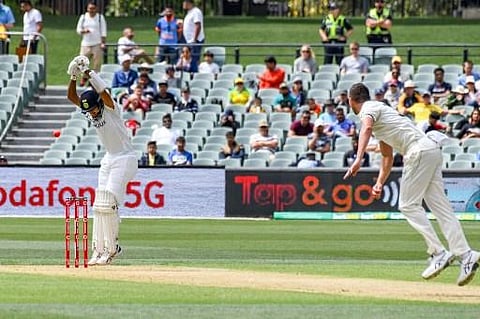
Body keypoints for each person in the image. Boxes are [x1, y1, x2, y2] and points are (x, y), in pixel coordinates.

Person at [344, 82, 480, 286]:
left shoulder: (369, 108)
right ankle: (466, 254)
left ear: (350, 100)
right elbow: (387, 156)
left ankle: (438, 252)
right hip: (430, 150)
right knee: (442, 209)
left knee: (407, 205)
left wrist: (358, 159)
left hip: (419, 151)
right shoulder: (383, 114)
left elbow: (366, 127)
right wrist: (380, 182)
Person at [66, 55, 138, 266]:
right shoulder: (91, 112)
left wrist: (88, 72)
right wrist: (72, 76)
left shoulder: (111, 109)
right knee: (99, 205)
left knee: (109, 204)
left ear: (99, 105)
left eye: (94, 108)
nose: (92, 113)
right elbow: (72, 97)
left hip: (125, 157)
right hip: (109, 158)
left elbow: (104, 92)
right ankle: (99, 250)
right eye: (89, 111)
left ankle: (113, 247)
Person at [75, 1, 107, 80]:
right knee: (82, 62)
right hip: (86, 43)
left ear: (96, 9)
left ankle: (94, 80)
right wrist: (84, 31)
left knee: (96, 64)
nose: (91, 10)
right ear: (87, 9)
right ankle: (84, 77)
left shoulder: (100, 17)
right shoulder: (83, 17)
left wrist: (103, 42)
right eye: (90, 8)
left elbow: (103, 31)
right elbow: (78, 30)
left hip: (97, 43)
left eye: (93, 8)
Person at [182, 0, 204, 68]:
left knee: (194, 60)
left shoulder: (196, 12)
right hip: (189, 41)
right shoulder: (189, 12)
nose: (183, 4)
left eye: (184, 2)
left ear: (189, 3)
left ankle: (194, 75)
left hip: (195, 41)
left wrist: (194, 39)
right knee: (189, 60)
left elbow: (198, 25)